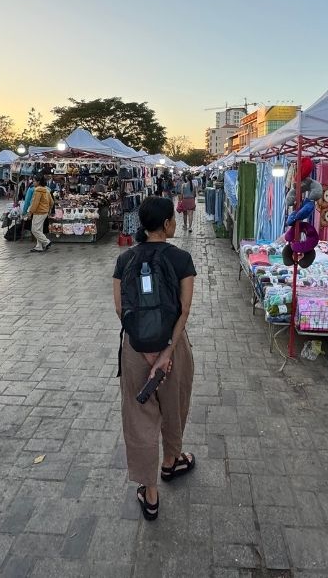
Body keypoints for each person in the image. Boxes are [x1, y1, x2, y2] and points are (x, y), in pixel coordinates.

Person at [112, 197, 196, 521]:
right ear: (165, 224)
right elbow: (185, 309)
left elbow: (120, 308)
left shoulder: (125, 260)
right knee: (174, 408)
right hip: (173, 350)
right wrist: (166, 352)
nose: (174, 224)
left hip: (135, 351)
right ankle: (171, 462)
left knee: (139, 418)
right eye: (172, 219)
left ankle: (149, 493)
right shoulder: (181, 259)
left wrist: (144, 348)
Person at [27, 175, 53, 252]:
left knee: (34, 230)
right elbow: (51, 202)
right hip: (44, 212)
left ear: (38, 182)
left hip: (39, 212)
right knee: (39, 230)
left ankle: (46, 242)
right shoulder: (46, 190)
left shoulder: (38, 190)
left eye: (34, 181)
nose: (33, 182)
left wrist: (30, 212)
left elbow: (35, 203)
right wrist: (48, 209)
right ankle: (39, 246)